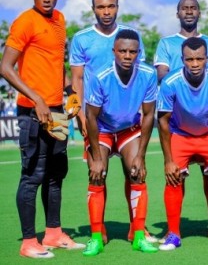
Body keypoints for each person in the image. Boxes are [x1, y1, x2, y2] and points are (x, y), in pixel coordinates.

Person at [0, 0, 84, 258]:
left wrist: (70, 93)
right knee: (32, 175)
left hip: (57, 111)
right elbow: (5, 67)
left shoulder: (60, 20)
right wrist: (36, 98)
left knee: (56, 173)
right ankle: (28, 242)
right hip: (31, 112)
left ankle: (53, 233)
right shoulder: (24, 22)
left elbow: (55, 63)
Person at [69, 0, 155, 243]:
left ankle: (137, 228)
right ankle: (99, 232)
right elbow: (77, 80)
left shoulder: (131, 36)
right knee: (97, 172)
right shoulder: (82, 39)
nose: (106, 12)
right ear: (93, 9)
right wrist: (79, 116)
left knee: (136, 171)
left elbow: (139, 76)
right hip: (97, 119)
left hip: (128, 121)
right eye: (101, 7)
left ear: (117, 7)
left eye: (111, 6)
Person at [157, 37, 208, 250]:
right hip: (180, 134)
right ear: (182, 59)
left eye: (199, 59)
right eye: (189, 59)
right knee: (173, 178)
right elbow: (163, 121)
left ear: (207, 58)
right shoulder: (170, 82)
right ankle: (173, 234)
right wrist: (168, 160)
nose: (194, 64)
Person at [83, 29, 158, 256]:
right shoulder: (100, 75)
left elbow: (148, 115)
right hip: (103, 129)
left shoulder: (148, 74)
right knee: (97, 174)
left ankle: (137, 235)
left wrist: (141, 156)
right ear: (114, 51)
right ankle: (96, 236)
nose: (127, 56)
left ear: (138, 53)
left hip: (128, 129)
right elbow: (91, 117)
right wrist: (96, 157)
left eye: (132, 52)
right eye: (123, 51)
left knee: (137, 173)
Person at [154, 0, 208, 240]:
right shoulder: (166, 43)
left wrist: (191, 73)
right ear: (177, 14)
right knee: (175, 176)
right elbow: (162, 73)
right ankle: (173, 231)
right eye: (184, 8)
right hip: (179, 123)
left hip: (207, 123)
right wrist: (181, 78)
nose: (189, 12)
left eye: (193, 8)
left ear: (199, 13)